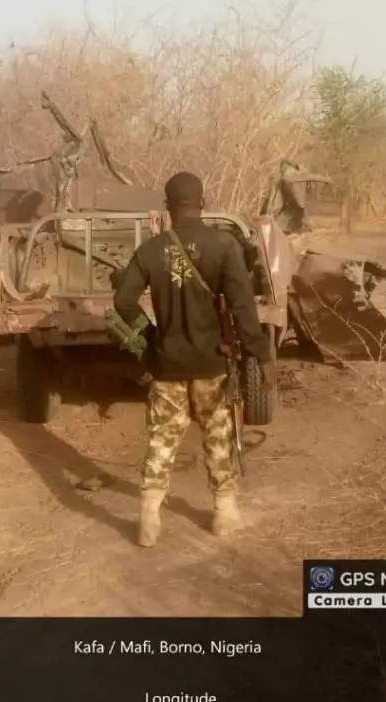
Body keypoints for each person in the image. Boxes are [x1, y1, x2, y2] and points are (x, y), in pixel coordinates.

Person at [113, 171, 275, 548]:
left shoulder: (150, 251)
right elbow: (244, 310)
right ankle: (224, 513)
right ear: (202, 203)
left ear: (167, 207)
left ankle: (149, 517)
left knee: (161, 441)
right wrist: (261, 356)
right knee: (218, 439)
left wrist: (151, 339)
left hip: (167, 366)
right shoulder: (223, 246)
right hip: (213, 366)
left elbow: (123, 302)